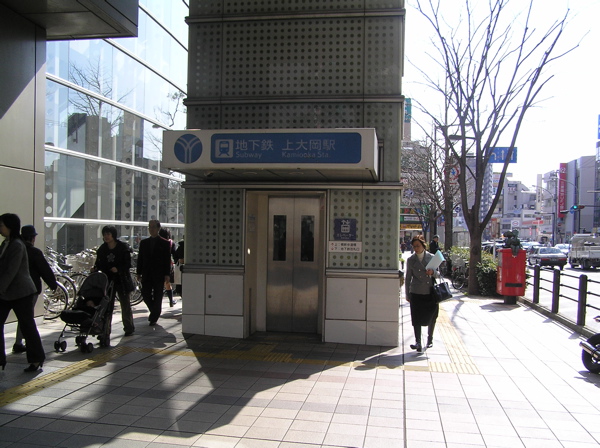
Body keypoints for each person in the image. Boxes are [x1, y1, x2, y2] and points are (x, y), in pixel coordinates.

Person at [0, 213, 46, 372]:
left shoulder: (17, 245)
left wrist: (0, 288)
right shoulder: (5, 243)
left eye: (1, 225)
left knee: (27, 325)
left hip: (21, 292)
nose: (0, 228)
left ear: (10, 226)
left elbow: (11, 271)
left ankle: (36, 358)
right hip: (7, 293)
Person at [12, 225, 58, 354]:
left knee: (23, 317)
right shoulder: (34, 252)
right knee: (26, 317)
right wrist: (53, 284)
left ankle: (19, 342)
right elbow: (44, 270)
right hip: (30, 290)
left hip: (14, 289)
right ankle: (24, 343)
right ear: (33, 238)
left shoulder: (16, 250)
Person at [92, 225, 135, 337]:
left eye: (108, 234)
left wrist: (118, 269)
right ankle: (105, 330)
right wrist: (95, 269)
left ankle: (129, 327)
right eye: (104, 234)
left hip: (122, 279)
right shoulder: (102, 249)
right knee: (107, 306)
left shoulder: (123, 247)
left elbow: (128, 264)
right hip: (108, 280)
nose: (106, 236)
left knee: (125, 304)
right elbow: (98, 263)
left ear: (113, 235)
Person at [404, 235, 439, 352]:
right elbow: (408, 278)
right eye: (414, 246)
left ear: (423, 245)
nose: (416, 248)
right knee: (416, 317)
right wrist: (407, 294)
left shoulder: (432, 257)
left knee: (432, 316)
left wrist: (432, 272)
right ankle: (418, 342)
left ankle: (430, 339)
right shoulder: (411, 260)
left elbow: (439, 274)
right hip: (416, 292)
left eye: (418, 246)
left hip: (430, 292)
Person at [136, 220, 172, 325]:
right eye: (149, 227)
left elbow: (167, 260)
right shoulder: (144, 243)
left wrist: (167, 274)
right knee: (145, 294)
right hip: (146, 272)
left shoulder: (165, 243)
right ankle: (155, 312)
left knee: (158, 295)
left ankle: (154, 316)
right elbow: (140, 259)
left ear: (158, 228)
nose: (151, 229)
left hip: (159, 273)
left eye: (153, 227)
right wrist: (138, 272)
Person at [158, 228, 177, 307]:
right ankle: (171, 301)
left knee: (158, 285)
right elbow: (175, 255)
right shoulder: (171, 243)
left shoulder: (158, 242)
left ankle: (158, 302)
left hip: (158, 265)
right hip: (168, 265)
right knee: (167, 283)